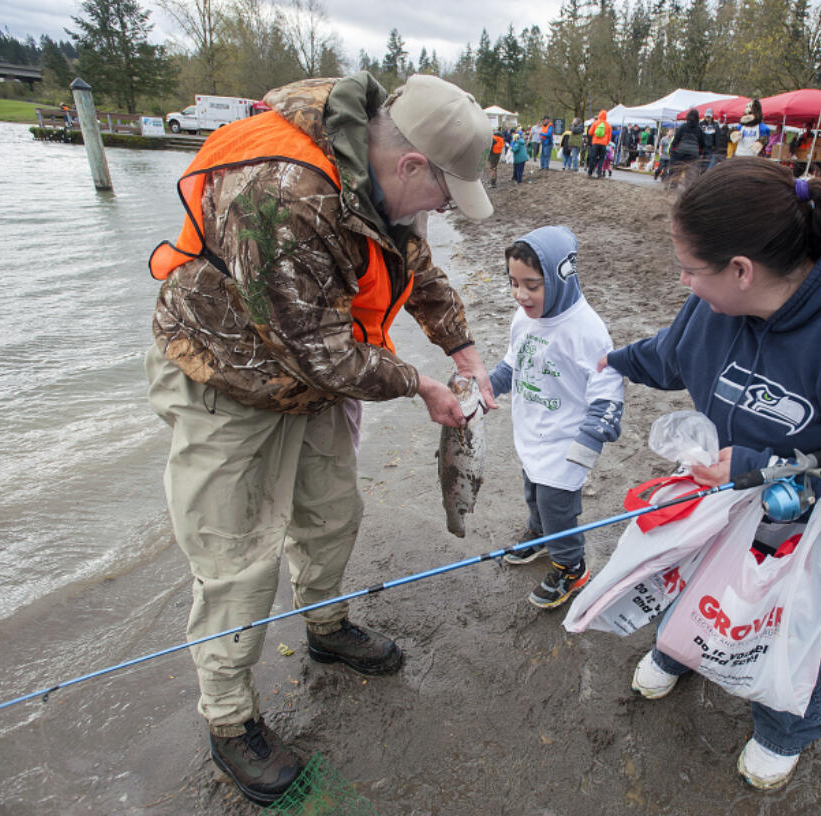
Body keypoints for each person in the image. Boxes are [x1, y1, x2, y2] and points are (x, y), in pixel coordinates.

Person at [145, 71, 498, 806]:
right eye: (442, 194)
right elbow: (320, 349)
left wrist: (462, 350)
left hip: (314, 375)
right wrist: (422, 385)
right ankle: (230, 720)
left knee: (332, 512)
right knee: (235, 557)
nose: (441, 210)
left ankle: (327, 625)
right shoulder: (279, 192)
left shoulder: (381, 174)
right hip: (228, 377)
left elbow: (412, 263)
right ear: (409, 165)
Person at [597, 158, 821, 791]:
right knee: (695, 559)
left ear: (743, 270)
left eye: (690, 268)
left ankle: (785, 726)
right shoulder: (715, 307)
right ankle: (684, 643)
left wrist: (762, 475)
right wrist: (606, 361)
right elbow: (675, 352)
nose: (683, 282)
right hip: (738, 484)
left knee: (774, 604)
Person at [488, 226, 625, 608]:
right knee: (532, 488)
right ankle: (538, 535)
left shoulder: (586, 330)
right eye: (514, 283)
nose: (521, 295)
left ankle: (570, 564)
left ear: (560, 275)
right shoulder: (523, 317)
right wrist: (490, 386)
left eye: (532, 285)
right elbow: (514, 361)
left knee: (556, 505)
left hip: (568, 442)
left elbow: (607, 392)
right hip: (533, 433)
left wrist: (591, 439)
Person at [669, 109, 704, 185]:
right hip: (693, 153)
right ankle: (687, 188)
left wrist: (671, 149)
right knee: (690, 173)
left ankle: (673, 186)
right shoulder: (699, 129)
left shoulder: (683, 127)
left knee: (677, 170)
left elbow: (676, 139)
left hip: (680, 151)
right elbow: (701, 143)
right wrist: (700, 153)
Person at [587, 109, 612, 178]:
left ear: (599, 115)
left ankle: (590, 172)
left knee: (593, 157)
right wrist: (606, 143)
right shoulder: (608, 125)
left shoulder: (595, 123)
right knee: (601, 159)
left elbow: (590, 132)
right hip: (603, 144)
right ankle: (599, 172)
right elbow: (609, 137)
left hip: (595, 143)